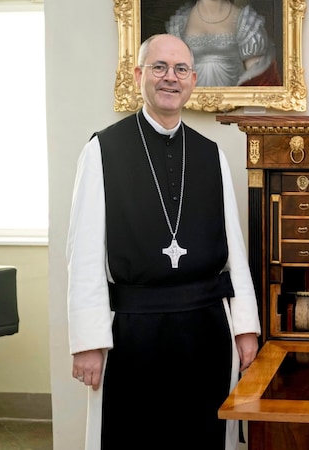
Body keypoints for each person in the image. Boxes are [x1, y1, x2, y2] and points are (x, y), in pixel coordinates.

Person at [67, 34, 261, 450]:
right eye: (159, 67)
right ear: (139, 75)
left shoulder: (211, 155)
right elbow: (83, 254)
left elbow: (235, 252)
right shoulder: (103, 150)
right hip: (133, 334)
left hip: (207, 329)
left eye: (179, 70)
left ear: (193, 80)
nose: (169, 78)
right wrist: (87, 342)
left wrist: (245, 328)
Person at [166, 0, 280, 87]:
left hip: (233, 107)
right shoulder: (180, 22)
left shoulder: (245, 20)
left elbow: (256, 77)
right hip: (190, 107)